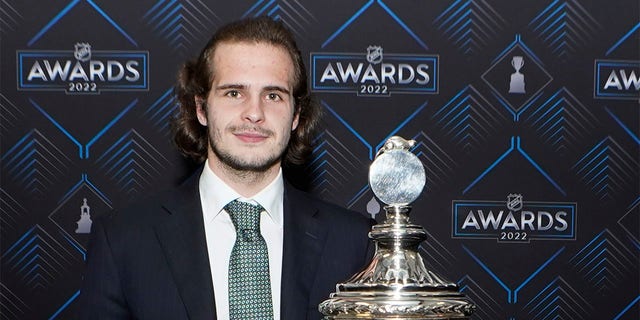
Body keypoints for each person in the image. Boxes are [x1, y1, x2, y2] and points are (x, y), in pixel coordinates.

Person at [77, 17, 374, 320]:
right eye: (234, 93)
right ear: (201, 108)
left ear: (296, 115)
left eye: (273, 96)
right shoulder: (124, 240)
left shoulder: (354, 244)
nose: (254, 113)